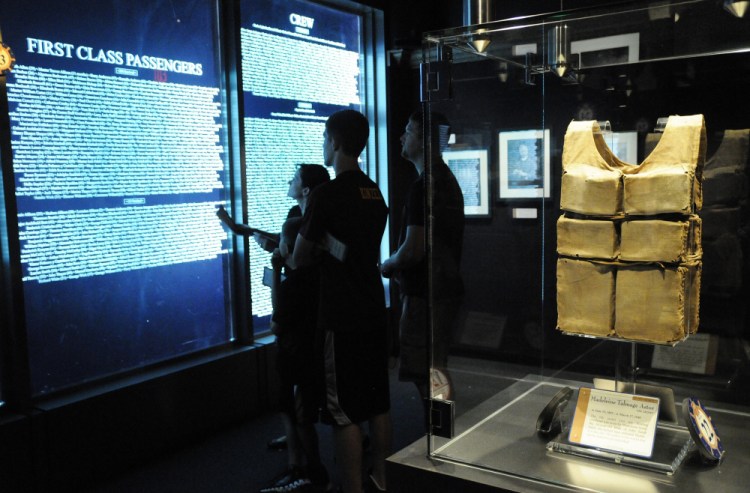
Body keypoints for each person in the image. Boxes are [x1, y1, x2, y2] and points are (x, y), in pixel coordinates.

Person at [218, 164, 333, 493]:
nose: (288, 182)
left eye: (294, 179)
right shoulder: (297, 217)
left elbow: (295, 265)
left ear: (307, 188)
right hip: (305, 316)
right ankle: (300, 450)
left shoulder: (313, 221)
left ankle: (306, 463)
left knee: (301, 397)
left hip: (300, 322)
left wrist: (280, 264)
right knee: (300, 398)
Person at [293, 110, 391, 493]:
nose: (323, 145)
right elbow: (357, 249)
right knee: (378, 403)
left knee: (343, 412)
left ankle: (352, 488)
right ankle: (382, 479)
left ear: (334, 142)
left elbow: (299, 257)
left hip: (340, 316)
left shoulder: (325, 194)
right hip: (371, 308)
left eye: (324, 138)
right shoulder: (374, 191)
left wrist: (320, 244)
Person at [380, 109, 464, 403]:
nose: (401, 137)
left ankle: (440, 436)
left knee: (425, 372)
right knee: (435, 368)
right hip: (441, 291)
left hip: (424, 296)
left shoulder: (423, 187)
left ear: (426, 141)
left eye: (408, 130)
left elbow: (413, 250)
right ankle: (442, 434)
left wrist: (387, 265)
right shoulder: (445, 180)